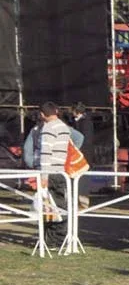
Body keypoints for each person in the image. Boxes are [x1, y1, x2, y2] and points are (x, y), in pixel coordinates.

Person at [35, 101, 73, 246]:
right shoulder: (64, 127)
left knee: (49, 207)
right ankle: (56, 238)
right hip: (61, 170)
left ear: (42, 114)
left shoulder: (48, 128)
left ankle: (53, 239)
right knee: (59, 205)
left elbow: (46, 153)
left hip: (50, 172)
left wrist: (44, 176)